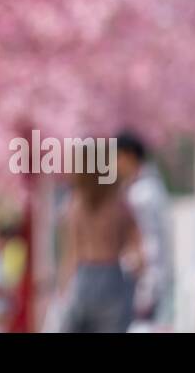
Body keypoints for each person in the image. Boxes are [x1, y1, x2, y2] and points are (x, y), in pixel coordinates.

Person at [57, 169, 142, 333]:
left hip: (83, 277)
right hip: (111, 276)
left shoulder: (76, 205)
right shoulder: (119, 205)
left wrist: (62, 290)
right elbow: (137, 251)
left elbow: (71, 253)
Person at [116, 131, 174, 328]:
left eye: (117, 157)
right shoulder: (147, 187)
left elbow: (151, 240)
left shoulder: (143, 194)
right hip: (145, 279)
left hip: (143, 281)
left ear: (129, 156)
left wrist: (139, 271)